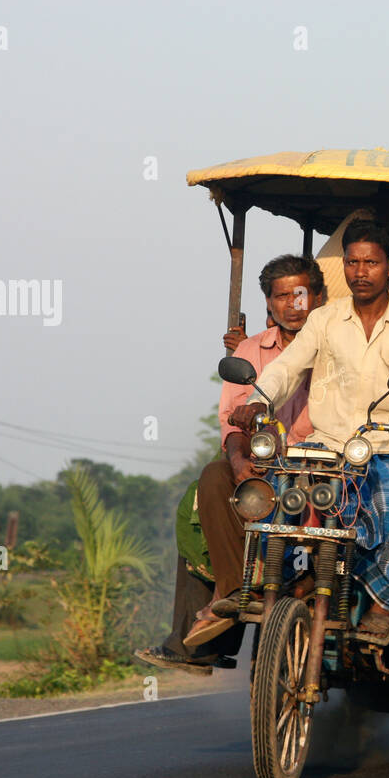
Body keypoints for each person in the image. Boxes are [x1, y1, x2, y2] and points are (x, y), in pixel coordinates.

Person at [229, 219, 389, 641]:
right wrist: (258, 398)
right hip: (329, 446)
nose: (360, 271)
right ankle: (278, 579)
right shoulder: (325, 320)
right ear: (344, 267)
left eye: (371, 262)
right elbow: (287, 367)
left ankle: (384, 602)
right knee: (280, 490)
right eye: (352, 262)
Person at [136, 255, 324, 675]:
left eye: (301, 294)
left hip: (328, 467)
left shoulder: (335, 345)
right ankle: (227, 601)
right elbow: (232, 421)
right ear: (269, 304)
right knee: (205, 492)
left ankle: (234, 602)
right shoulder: (250, 350)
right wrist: (239, 464)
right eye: (282, 297)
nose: (294, 305)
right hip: (267, 468)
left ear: (318, 296)